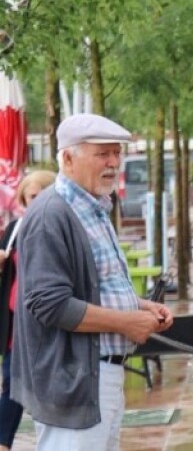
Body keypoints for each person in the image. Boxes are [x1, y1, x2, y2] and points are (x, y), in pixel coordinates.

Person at [12, 113, 174, 449]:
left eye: (117, 153)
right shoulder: (51, 214)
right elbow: (50, 304)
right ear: (68, 158)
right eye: (102, 154)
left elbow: (92, 286)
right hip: (74, 379)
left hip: (97, 376)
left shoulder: (94, 207)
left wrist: (140, 306)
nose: (114, 163)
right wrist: (127, 322)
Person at [0, 169, 55, 451]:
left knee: (45, 385)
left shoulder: (57, 227)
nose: (35, 202)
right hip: (14, 322)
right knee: (11, 382)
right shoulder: (14, 229)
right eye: (30, 197)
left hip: (45, 322)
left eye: (40, 196)